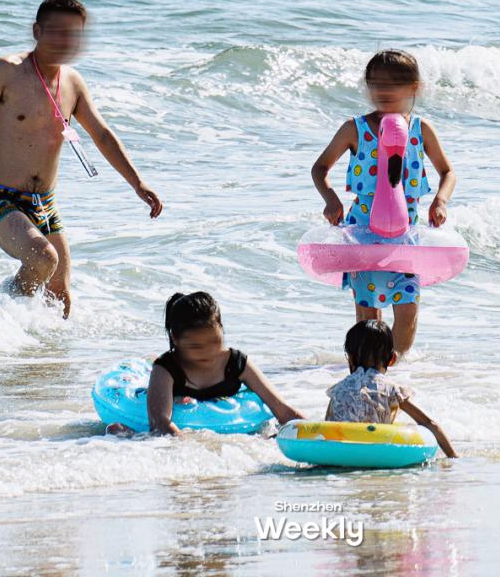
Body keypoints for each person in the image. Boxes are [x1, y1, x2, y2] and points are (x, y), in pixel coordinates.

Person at [0, 0, 161, 317]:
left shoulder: (73, 82)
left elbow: (101, 134)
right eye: (57, 31)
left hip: (45, 204)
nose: (65, 41)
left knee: (60, 298)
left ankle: (41, 362)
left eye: (73, 34)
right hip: (0, 200)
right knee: (44, 258)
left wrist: (137, 183)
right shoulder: (7, 71)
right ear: (37, 31)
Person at [310, 48, 456, 355]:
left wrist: (440, 201)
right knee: (367, 313)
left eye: (393, 84)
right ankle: (367, 369)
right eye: (376, 84)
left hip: (405, 237)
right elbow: (320, 168)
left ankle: (396, 367)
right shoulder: (356, 129)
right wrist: (331, 199)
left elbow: (447, 172)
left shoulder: (421, 129)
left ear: (414, 88)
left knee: (408, 309)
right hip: (362, 233)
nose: (383, 91)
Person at [106, 291, 303, 437]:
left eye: (215, 342)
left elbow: (282, 409)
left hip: (235, 428)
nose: (208, 352)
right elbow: (160, 424)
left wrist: (315, 433)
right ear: (175, 339)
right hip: (180, 430)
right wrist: (199, 449)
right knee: (121, 432)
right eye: (196, 346)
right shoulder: (166, 368)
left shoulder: (237, 363)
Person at [326, 319, 458, 458]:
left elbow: (327, 426)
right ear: (392, 359)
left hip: (342, 454)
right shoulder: (392, 390)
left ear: (350, 359)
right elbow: (428, 423)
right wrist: (453, 456)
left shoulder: (338, 389)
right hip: (378, 455)